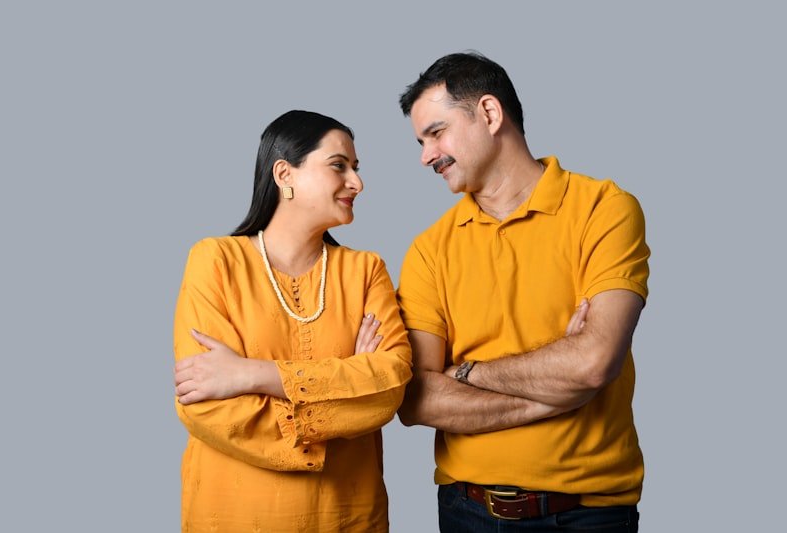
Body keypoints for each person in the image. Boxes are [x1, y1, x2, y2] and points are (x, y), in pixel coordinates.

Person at [396, 52, 650, 532]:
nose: (426, 156)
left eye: (436, 133)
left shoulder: (605, 210)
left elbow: (594, 362)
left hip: (589, 515)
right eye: (421, 141)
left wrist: (467, 373)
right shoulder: (429, 249)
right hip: (465, 512)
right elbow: (416, 398)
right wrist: (554, 395)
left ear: (490, 114)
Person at [172, 110, 412, 532]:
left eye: (356, 168)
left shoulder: (366, 270)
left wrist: (251, 374)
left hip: (348, 516)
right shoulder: (215, 261)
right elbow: (205, 404)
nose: (357, 182)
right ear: (285, 174)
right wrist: (349, 386)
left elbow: (390, 383)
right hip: (235, 517)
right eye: (339, 166)